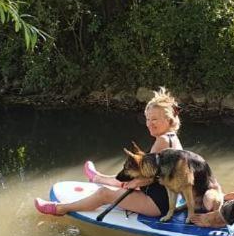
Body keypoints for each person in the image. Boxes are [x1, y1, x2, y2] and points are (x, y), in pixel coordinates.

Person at [34, 87, 222, 217]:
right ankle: (98, 177)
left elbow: (147, 179)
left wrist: (125, 186)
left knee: (104, 194)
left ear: (169, 119)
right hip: (160, 196)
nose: (149, 124)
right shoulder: (171, 137)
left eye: (154, 119)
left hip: (157, 204)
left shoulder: (163, 142)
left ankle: (61, 209)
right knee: (122, 181)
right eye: (147, 119)